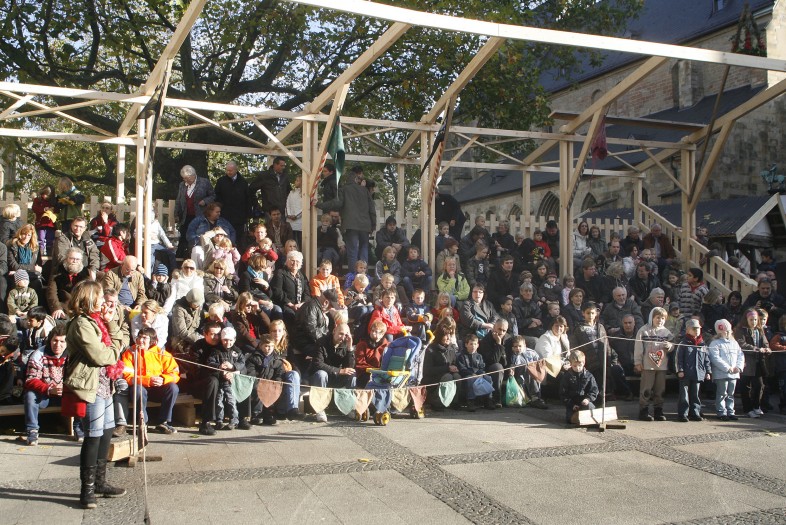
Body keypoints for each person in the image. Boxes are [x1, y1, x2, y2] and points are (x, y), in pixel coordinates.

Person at [63, 281, 125, 508]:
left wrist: (111, 323)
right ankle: (87, 489)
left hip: (105, 383)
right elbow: (101, 356)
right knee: (94, 435)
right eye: (99, 297)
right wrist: (114, 351)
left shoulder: (98, 320)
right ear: (89, 299)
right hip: (91, 385)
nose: (103, 301)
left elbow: (120, 342)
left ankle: (100, 482)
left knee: (106, 432)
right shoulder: (81, 323)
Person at [116, 327, 180, 435]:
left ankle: (163, 422)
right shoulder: (129, 353)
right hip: (139, 388)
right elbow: (128, 376)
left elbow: (174, 373)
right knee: (138, 390)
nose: (140, 340)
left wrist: (163, 379)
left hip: (158, 389)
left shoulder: (162, 353)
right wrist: (147, 380)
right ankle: (142, 423)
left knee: (173, 388)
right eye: (139, 337)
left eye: (144, 338)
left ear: (152, 341)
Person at [22, 325, 72, 446]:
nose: (57, 344)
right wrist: (49, 389)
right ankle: (32, 430)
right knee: (30, 395)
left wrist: (66, 388)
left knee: (82, 393)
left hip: (67, 395)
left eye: (62, 341)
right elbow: (30, 379)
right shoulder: (39, 354)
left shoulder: (72, 354)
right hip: (45, 396)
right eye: (55, 340)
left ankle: (79, 428)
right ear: (50, 340)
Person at [309, 323, 356, 423]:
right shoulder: (321, 342)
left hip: (336, 377)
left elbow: (350, 367)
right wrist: (339, 371)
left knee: (352, 374)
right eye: (341, 334)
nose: (343, 337)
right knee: (321, 374)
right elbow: (318, 364)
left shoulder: (346, 344)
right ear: (334, 331)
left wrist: (349, 348)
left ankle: (348, 407)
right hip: (321, 377)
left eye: (346, 335)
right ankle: (320, 409)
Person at [634, 307, 674, 422]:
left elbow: (672, 344)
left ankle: (658, 410)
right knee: (646, 389)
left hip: (661, 366)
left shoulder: (666, 332)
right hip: (647, 365)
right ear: (652, 317)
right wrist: (638, 362)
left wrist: (670, 346)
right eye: (657, 318)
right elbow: (638, 347)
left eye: (662, 318)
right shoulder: (643, 330)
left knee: (660, 389)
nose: (660, 320)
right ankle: (643, 410)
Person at [205, 326, 249, 430]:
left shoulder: (237, 351)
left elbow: (242, 363)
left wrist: (233, 367)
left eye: (230, 340)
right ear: (221, 339)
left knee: (231, 400)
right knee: (219, 401)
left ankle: (234, 420)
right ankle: (219, 421)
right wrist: (219, 367)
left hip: (231, 382)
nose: (227, 342)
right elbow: (210, 363)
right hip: (220, 380)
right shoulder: (216, 351)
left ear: (234, 339)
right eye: (225, 340)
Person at [734, 308, 770, 418]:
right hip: (746, 362)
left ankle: (756, 406)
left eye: (755, 319)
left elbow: (765, 342)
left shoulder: (759, 330)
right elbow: (741, 344)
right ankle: (748, 408)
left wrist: (767, 349)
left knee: (759, 385)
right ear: (746, 319)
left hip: (758, 362)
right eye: (751, 320)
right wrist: (755, 349)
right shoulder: (741, 330)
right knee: (745, 387)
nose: (753, 322)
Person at [245, 334, 287, 426]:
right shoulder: (253, 358)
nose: (269, 348)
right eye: (266, 346)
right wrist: (259, 382)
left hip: (270, 383)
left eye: (271, 346)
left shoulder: (277, 360)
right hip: (257, 382)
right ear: (261, 346)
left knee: (273, 390)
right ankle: (256, 414)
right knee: (258, 389)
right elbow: (251, 373)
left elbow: (279, 374)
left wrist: (276, 381)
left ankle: (269, 414)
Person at [175, 164, 215, 258]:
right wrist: (176, 213)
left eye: (187, 178)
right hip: (186, 216)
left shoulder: (204, 182)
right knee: (184, 237)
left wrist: (205, 201)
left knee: (198, 237)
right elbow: (178, 200)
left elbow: (213, 195)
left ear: (193, 175)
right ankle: (183, 258)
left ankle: (198, 258)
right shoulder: (182, 185)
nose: (185, 180)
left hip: (200, 215)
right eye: (184, 178)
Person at [675, 318, 712, 422]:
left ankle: (695, 413)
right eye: (694, 329)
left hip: (698, 373)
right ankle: (683, 414)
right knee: (684, 395)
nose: (696, 331)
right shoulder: (683, 343)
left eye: (698, 329)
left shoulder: (702, 344)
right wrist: (680, 370)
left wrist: (708, 371)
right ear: (688, 330)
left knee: (695, 395)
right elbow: (678, 358)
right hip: (686, 374)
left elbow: (706, 359)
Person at [709, 319, 744, 421]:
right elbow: (715, 358)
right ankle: (721, 412)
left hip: (734, 373)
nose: (727, 333)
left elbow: (740, 355)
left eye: (728, 331)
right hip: (721, 374)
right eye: (724, 331)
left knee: (731, 394)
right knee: (722, 393)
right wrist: (727, 368)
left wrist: (738, 367)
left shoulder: (734, 343)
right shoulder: (715, 343)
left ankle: (730, 411)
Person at [422, 318, 461, 410]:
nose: (448, 338)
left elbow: (454, 363)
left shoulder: (451, 348)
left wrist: (455, 368)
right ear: (440, 336)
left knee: (457, 376)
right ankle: (437, 402)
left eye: (450, 335)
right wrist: (447, 368)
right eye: (446, 335)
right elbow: (428, 370)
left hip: (447, 374)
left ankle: (454, 402)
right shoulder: (431, 349)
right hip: (433, 379)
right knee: (448, 377)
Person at [47, 248, 91, 320]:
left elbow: (90, 292)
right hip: (63, 307)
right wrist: (57, 308)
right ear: (66, 259)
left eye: (77, 259)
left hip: (81, 307)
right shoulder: (57, 271)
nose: (74, 261)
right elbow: (51, 292)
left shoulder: (86, 273)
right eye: (72, 258)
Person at [214, 161, 251, 244]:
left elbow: (248, 199)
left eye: (230, 170)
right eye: (227, 170)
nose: (228, 172)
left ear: (236, 170)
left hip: (239, 216)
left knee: (239, 238)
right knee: (225, 237)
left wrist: (248, 214)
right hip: (225, 215)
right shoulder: (221, 181)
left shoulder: (243, 182)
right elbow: (216, 197)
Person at [270, 250, 310, 326]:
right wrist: (291, 305)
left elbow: (307, 293)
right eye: (292, 260)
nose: (295, 263)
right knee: (291, 315)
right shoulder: (280, 273)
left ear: (301, 263)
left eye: (297, 261)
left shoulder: (302, 276)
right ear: (287, 261)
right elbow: (277, 292)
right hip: (285, 304)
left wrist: (301, 304)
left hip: (300, 305)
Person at [560, 350, 599, 424]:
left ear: (583, 363)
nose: (577, 368)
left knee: (590, 408)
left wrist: (588, 399)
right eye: (575, 366)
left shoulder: (589, 376)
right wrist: (571, 405)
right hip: (573, 404)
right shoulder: (567, 376)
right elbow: (563, 394)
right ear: (571, 364)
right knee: (570, 419)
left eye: (580, 365)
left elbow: (594, 390)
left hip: (585, 402)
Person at [509, 335, 548, 409]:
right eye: (515, 346)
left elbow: (539, 363)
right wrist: (512, 368)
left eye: (520, 346)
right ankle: (535, 397)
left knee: (533, 369)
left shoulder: (531, 353)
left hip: (533, 375)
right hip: (519, 375)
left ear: (524, 345)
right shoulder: (513, 355)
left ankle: (536, 397)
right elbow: (512, 365)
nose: (518, 348)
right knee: (527, 368)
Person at [457, 333, 493, 411]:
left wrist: (481, 374)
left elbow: (482, 367)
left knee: (488, 378)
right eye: (471, 344)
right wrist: (471, 374)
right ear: (466, 345)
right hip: (468, 375)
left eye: (475, 344)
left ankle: (488, 399)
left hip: (478, 374)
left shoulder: (479, 356)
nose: (473, 346)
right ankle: (470, 401)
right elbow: (462, 369)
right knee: (470, 379)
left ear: (478, 345)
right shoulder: (462, 356)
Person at [354, 320, 389, 387]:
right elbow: (360, 363)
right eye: (372, 331)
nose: (373, 333)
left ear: (382, 334)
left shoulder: (387, 346)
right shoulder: (362, 344)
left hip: (382, 373)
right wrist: (375, 370)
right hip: (365, 373)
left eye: (376, 332)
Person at [32, 185, 56, 255]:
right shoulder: (37, 200)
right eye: (44, 194)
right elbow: (34, 209)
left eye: (48, 195)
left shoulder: (53, 201)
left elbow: (57, 209)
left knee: (50, 239)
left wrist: (53, 209)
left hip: (50, 224)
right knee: (41, 239)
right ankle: (40, 253)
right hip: (41, 224)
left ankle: (49, 253)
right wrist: (43, 209)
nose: (45, 196)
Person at [285, 175, 303, 247]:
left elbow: (305, 207)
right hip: (290, 220)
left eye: (297, 180)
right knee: (291, 240)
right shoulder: (291, 192)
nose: (295, 182)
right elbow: (287, 204)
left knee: (301, 241)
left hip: (300, 221)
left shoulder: (305, 193)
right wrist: (289, 214)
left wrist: (297, 216)